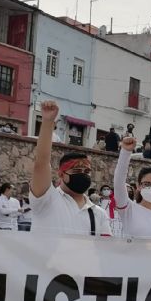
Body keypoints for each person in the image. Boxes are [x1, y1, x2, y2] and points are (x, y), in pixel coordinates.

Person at [30, 101, 111, 236]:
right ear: (61, 174)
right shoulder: (46, 199)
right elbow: (41, 163)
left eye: (87, 172)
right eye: (77, 171)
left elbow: (104, 252)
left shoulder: (98, 213)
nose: (83, 175)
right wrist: (48, 122)